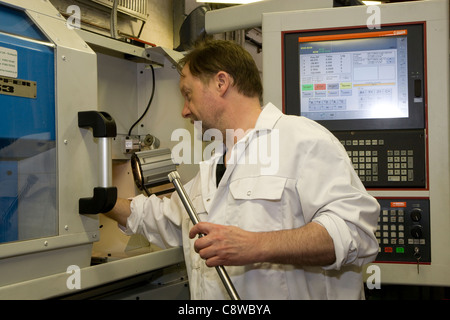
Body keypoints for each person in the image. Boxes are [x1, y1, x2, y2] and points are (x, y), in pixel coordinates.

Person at [106, 40, 380, 300]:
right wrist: (100, 201)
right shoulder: (213, 167)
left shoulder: (302, 140)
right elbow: (165, 219)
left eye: (188, 95)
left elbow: (354, 232)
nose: (185, 111)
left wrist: (255, 245)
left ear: (221, 82)